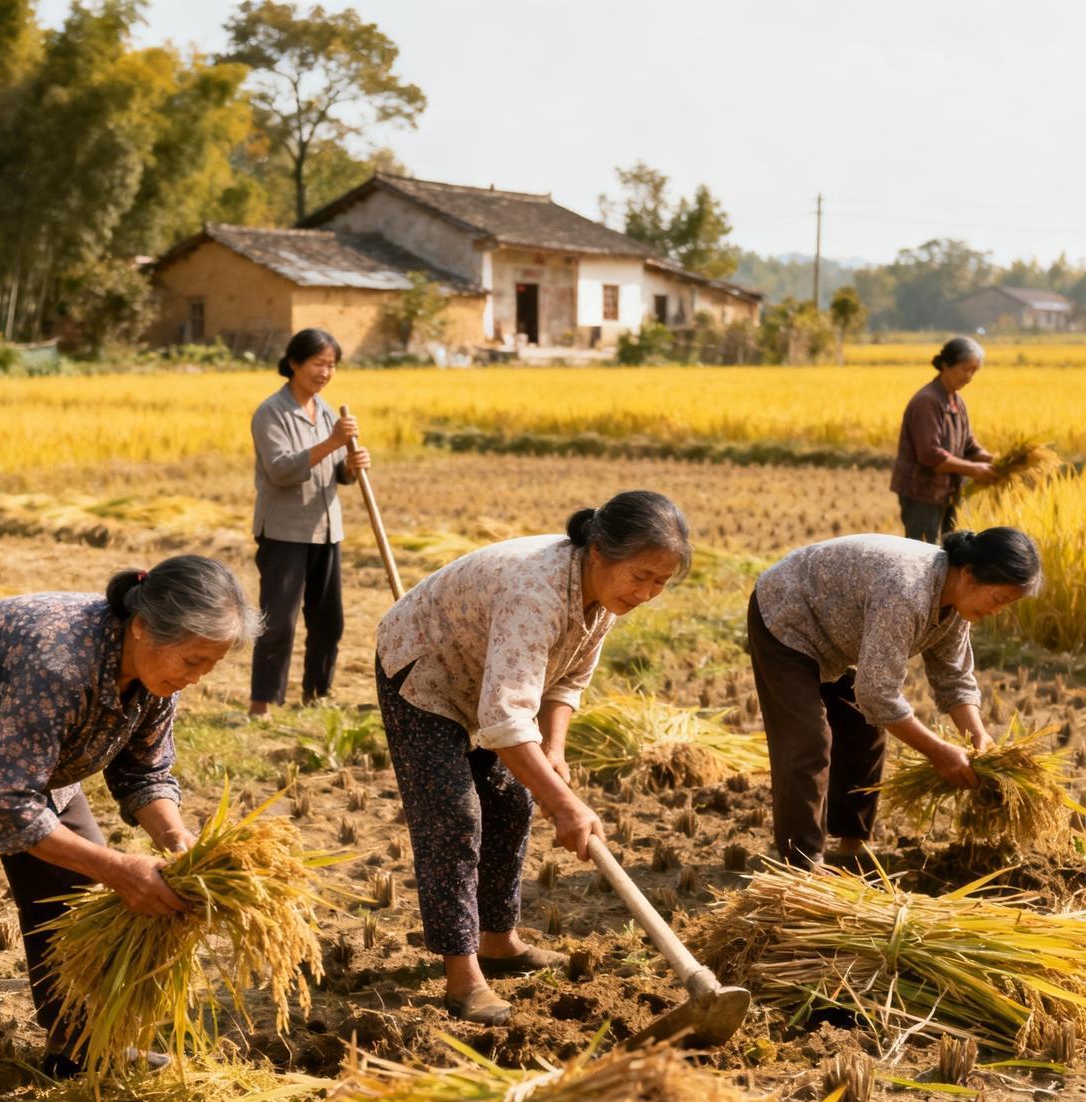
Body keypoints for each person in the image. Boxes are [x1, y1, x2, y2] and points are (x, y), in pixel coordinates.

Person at [0, 555, 260, 1102]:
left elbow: (145, 771)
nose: (198, 676)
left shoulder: (160, 679)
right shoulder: (59, 663)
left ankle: (77, 1044)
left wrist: (178, 842)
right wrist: (120, 871)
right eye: (193, 660)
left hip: (28, 750)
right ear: (141, 627)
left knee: (71, 890)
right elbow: (3, 801)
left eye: (211, 665)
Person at [375, 491, 693, 1026]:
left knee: (513, 804)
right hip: (424, 671)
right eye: (641, 576)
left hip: (487, 681)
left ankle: (499, 942)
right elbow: (503, 722)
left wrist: (554, 750)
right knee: (454, 817)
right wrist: (564, 804)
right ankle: (462, 978)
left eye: (660, 582)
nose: (647, 593)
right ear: (599, 553)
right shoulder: (536, 593)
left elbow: (566, 677)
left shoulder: (605, 598)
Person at [746, 528, 1040, 869]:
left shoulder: (955, 604)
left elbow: (953, 676)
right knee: (808, 743)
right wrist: (937, 751)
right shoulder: (907, 591)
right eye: (1000, 599)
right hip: (788, 615)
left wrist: (978, 738)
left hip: (839, 632)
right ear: (970, 575)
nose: (999, 610)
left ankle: (851, 848)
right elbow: (878, 694)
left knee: (863, 732)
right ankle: (802, 866)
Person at [248, 328, 370, 717]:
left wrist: (351, 466)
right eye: (319, 363)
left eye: (332, 365)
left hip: (327, 528)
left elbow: (337, 475)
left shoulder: (328, 411)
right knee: (278, 623)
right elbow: (281, 470)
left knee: (328, 622)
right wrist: (333, 443)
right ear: (294, 363)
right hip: (285, 531)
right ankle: (262, 703)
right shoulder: (272, 412)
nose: (326, 372)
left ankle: (317, 695)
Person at [890, 335, 996, 543]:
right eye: (965, 369)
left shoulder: (957, 400)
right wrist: (974, 470)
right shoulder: (927, 401)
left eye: (974, 371)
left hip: (948, 492)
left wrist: (995, 462)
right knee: (923, 553)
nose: (970, 376)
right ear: (946, 365)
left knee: (950, 553)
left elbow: (969, 446)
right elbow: (930, 455)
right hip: (922, 492)